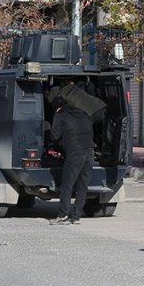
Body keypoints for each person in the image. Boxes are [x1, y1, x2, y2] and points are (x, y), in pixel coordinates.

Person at [49, 95, 94, 225]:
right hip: (89, 150)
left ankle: (63, 216)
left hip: (75, 153)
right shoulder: (83, 112)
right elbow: (90, 131)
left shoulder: (60, 114)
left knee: (67, 185)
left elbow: (54, 136)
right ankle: (76, 217)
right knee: (82, 186)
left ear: (56, 108)